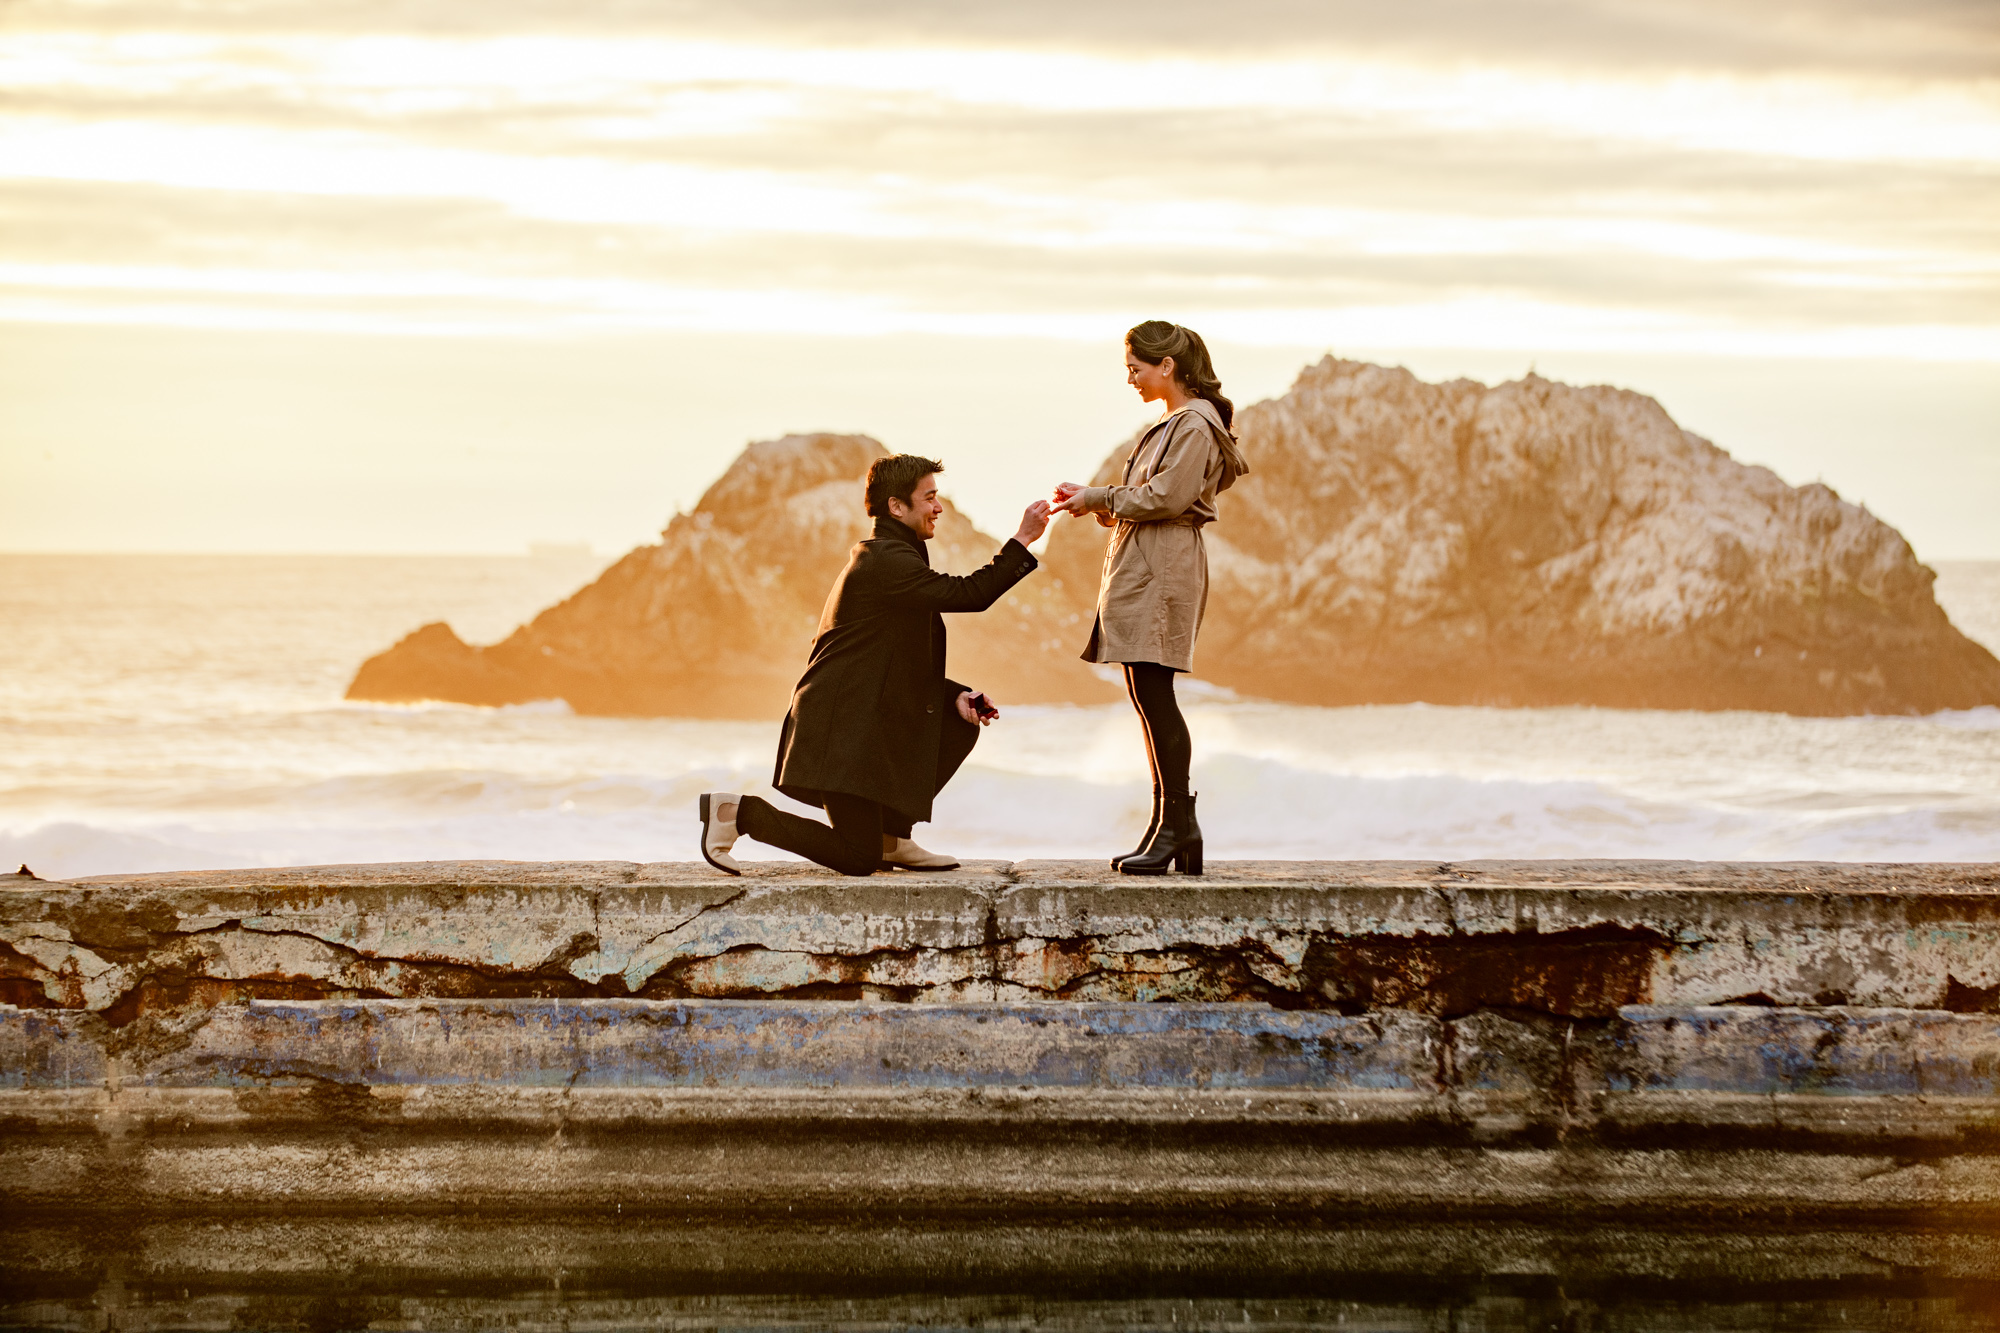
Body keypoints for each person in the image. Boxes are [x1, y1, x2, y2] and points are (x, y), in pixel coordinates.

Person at [698, 455, 1052, 876]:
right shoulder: (884, 560)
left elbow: (889, 660)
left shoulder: (897, 557)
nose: (939, 507)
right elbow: (969, 595)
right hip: (839, 733)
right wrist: (1022, 539)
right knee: (857, 858)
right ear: (896, 507)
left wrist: (953, 694)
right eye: (930, 497)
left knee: (958, 722)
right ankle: (736, 814)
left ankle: (893, 838)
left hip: (860, 727)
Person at [1051, 321, 1249, 876]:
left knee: (1155, 694)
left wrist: (1098, 495)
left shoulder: (1193, 425)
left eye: (1136, 368)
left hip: (1163, 565)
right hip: (1149, 559)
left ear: (1168, 366)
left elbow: (1167, 497)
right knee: (1145, 692)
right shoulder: (1172, 425)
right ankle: (1170, 827)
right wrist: (1099, 504)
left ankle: (1180, 825)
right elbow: (1151, 499)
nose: (1131, 378)